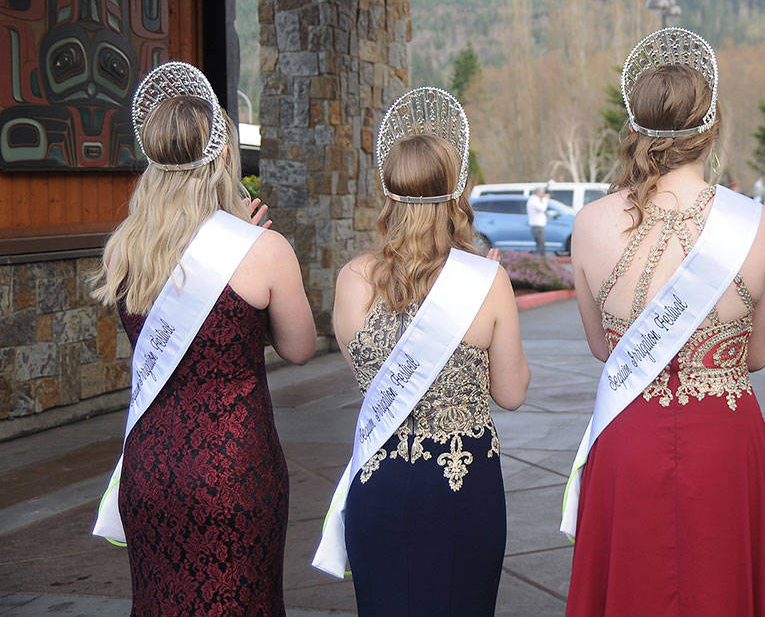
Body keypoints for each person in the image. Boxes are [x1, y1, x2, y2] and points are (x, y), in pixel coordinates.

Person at [564, 28, 765, 616]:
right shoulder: (757, 225)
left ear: (634, 128)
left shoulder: (590, 224)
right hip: (725, 439)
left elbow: (602, 348)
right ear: (710, 129)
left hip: (629, 435)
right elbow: (757, 356)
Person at [91, 62, 316, 614]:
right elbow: (300, 347)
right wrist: (244, 240)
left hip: (150, 466)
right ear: (220, 157)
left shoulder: (124, 248)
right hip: (235, 469)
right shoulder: (263, 249)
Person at [326, 87, 529, 616]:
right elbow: (511, 393)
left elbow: (368, 378)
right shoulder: (485, 281)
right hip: (461, 484)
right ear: (456, 193)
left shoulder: (352, 280)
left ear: (388, 192)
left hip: (380, 482)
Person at [527, 185, 550, 255]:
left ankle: (539, 258)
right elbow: (542, 208)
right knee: (541, 246)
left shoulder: (535, 199)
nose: (543, 194)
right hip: (537, 226)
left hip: (538, 226)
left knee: (540, 245)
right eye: (542, 193)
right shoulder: (534, 200)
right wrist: (545, 199)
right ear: (538, 193)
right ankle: (541, 259)